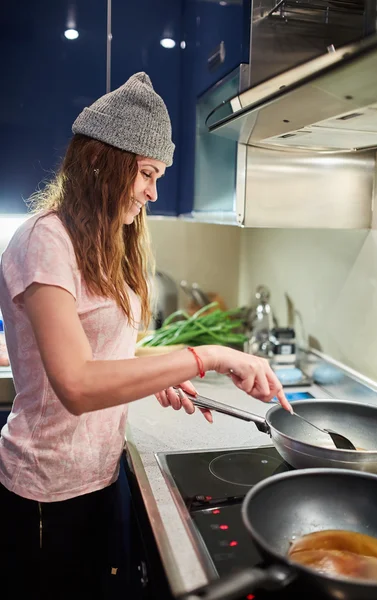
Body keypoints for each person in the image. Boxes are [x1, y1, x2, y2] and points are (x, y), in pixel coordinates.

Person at [0, 72, 290, 598]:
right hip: (47, 490)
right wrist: (204, 356)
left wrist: (153, 375)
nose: (153, 192)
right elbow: (78, 384)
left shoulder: (105, 239)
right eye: (146, 173)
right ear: (98, 161)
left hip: (99, 476)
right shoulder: (46, 240)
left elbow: (102, 347)